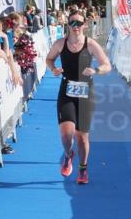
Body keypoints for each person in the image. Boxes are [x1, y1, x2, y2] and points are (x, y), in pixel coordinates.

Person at [45, 12, 112, 185]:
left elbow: (107, 65)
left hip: (85, 94)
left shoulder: (91, 44)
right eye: (72, 22)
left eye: (79, 23)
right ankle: (68, 155)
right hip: (66, 91)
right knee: (67, 135)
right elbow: (49, 59)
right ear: (68, 25)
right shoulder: (60, 43)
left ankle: (83, 168)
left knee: (82, 137)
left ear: (85, 25)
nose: (76, 26)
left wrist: (96, 70)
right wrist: (53, 69)